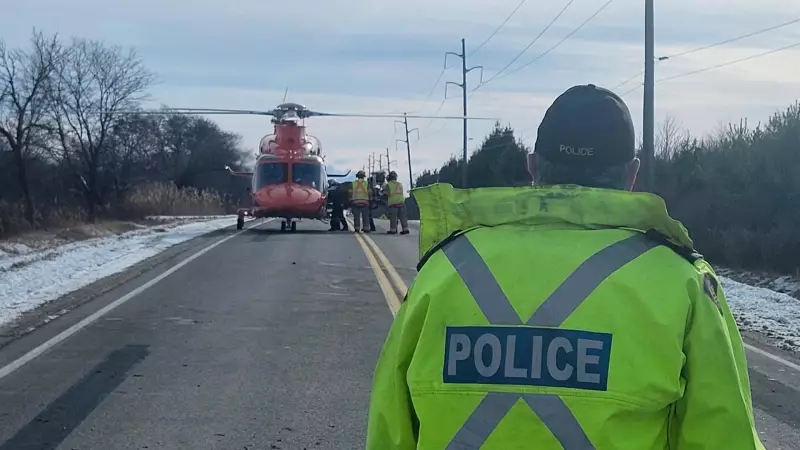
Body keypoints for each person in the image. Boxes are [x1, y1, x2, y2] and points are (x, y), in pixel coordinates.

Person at [366, 84, 765, 449]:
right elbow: (723, 437)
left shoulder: (444, 268)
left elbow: (390, 428)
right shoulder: (683, 284)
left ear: (533, 166)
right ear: (632, 175)